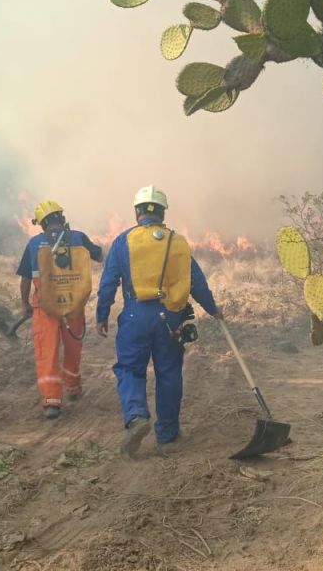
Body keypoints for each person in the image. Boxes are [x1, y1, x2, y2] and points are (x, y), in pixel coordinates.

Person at [96, 185, 222, 458]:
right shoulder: (177, 243)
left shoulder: (123, 241)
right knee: (169, 373)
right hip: (171, 317)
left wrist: (101, 315)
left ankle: (137, 416)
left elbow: (108, 283)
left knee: (130, 369)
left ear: (138, 211)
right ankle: (167, 433)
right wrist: (213, 309)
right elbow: (196, 281)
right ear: (162, 213)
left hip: (134, 315)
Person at [17, 200, 103, 419]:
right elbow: (99, 256)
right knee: (73, 348)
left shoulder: (35, 243)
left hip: (45, 307)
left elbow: (26, 278)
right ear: (62, 219)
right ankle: (73, 388)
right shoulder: (78, 237)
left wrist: (25, 303)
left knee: (47, 352)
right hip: (73, 305)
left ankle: (52, 402)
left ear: (42, 224)